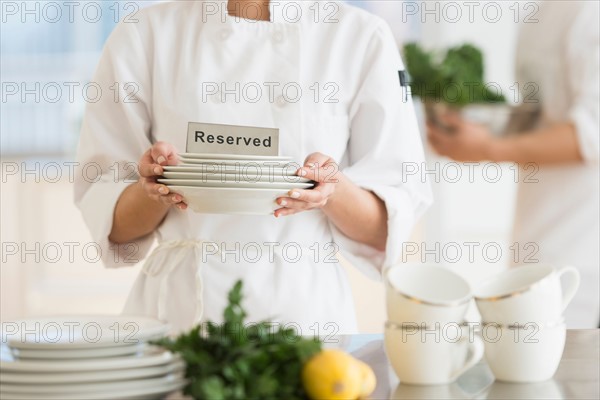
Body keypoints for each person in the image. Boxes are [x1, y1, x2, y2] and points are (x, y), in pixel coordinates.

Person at [74, 0, 432, 334]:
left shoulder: (359, 37)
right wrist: (156, 188)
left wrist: (332, 189)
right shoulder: (145, 34)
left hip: (304, 317)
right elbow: (115, 228)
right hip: (181, 315)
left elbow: (386, 230)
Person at [428, 1, 599, 328]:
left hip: (584, 255)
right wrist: (476, 128)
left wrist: (489, 148)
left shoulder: (590, 12)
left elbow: (592, 133)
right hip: (539, 239)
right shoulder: (540, 12)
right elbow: (543, 116)